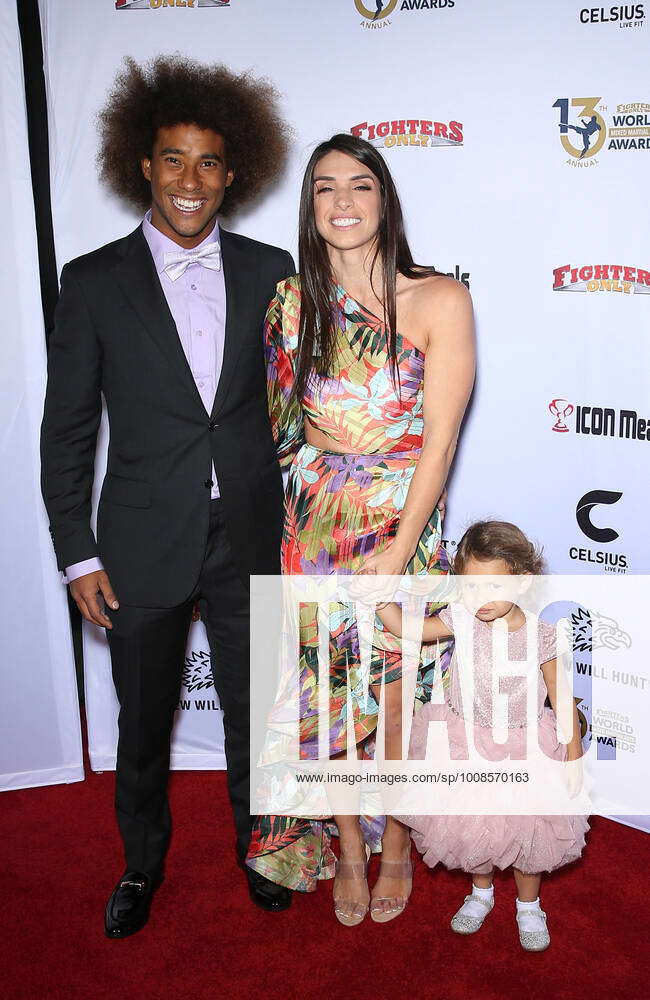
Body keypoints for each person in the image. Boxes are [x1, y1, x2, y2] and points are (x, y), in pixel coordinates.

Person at [40, 55, 295, 938]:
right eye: (173, 160)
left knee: (260, 711)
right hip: (142, 540)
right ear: (142, 165)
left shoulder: (273, 269)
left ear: (236, 172)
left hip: (252, 535)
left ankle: (265, 849)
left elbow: (305, 407)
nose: (191, 181)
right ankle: (141, 865)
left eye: (209, 163)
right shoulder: (93, 280)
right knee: (141, 724)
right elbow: (67, 431)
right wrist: (78, 552)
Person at [246, 133, 475, 924]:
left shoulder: (441, 298)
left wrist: (401, 550)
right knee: (326, 695)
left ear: (385, 199)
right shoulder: (289, 302)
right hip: (313, 523)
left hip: (401, 518)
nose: (343, 203)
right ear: (310, 209)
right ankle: (347, 847)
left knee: (396, 693)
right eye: (324, 189)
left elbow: (440, 440)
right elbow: (280, 428)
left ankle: (400, 845)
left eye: (360, 185)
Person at [378, 520, 589, 951]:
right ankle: (481, 892)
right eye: (470, 588)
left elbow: (561, 699)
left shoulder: (542, 636)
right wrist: (379, 598)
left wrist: (572, 759)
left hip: (524, 751)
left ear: (523, 581)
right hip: (462, 747)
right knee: (473, 828)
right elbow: (409, 629)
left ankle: (529, 906)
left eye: (493, 586)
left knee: (528, 833)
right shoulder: (461, 618)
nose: (481, 599)